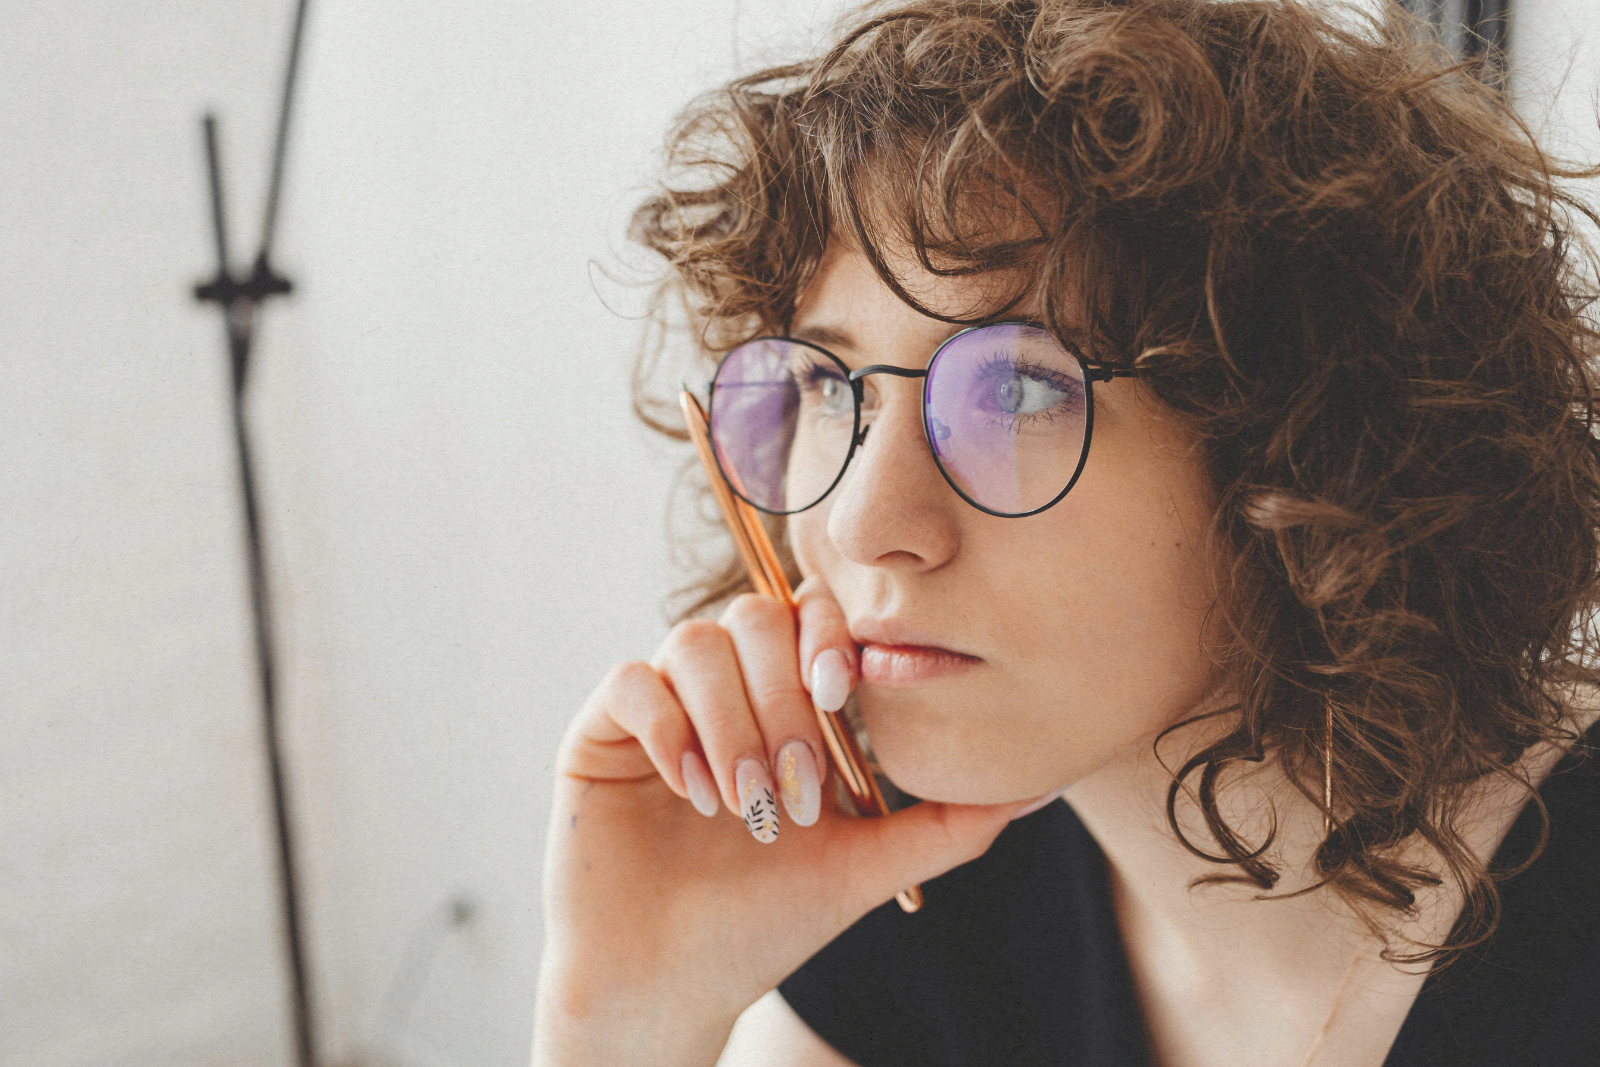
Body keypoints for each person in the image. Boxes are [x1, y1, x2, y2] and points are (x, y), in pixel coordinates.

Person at [533, 1, 1600, 1064]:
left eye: (1015, 387)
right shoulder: (909, 891)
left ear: (1306, 445)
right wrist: (632, 1011)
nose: (860, 522)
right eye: (829, 383)